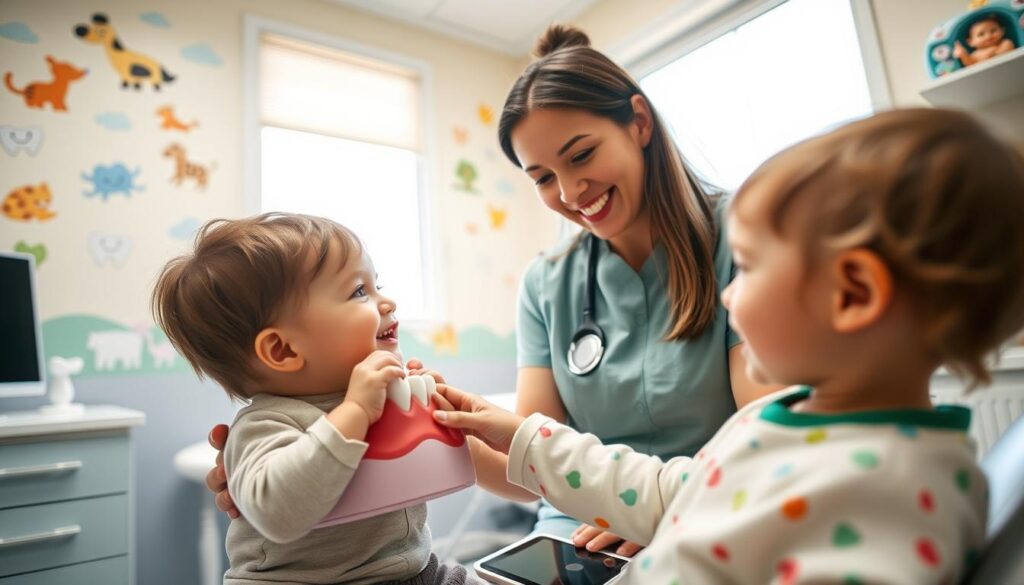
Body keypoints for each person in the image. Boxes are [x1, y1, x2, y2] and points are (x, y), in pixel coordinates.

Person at [204, 23, 775, 557]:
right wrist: (298, 472)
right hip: (579, 526)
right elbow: (526, 469)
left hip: (715, 504)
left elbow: (765, 434)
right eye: (544, 178)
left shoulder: (742, 238)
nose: (571, 191)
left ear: (639, 124)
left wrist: (660, 511)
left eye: (581, 155)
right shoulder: (548, 282)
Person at [430, 107, 1024, 583]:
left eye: (749, 266)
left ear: (852, 294)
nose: (730, 295)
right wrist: (518, 436)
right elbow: (670, 493)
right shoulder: (782, 419)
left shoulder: (896, 497)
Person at [152, 214, 477, 585]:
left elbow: (433, 475)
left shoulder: (381, 396)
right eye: (359, 291)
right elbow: (280, 514)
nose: (386, 302)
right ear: (283, 349)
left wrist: (424, 408)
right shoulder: (265, 425)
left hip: (412, 570)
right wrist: (355, 411)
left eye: (377, 286)